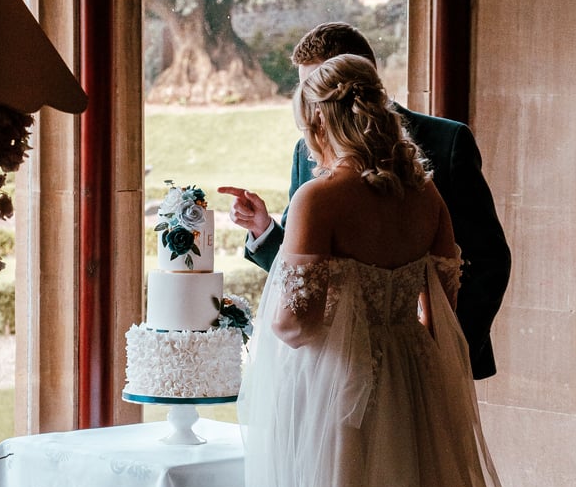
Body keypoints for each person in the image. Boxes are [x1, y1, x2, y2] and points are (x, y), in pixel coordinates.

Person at [237, 53, 533, 487]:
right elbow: (442, 305)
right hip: (415, 380)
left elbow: (294, 324)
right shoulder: (426, 195)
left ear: (320, 120)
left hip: (341, 383)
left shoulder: (318, 199)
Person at [219, 22, 510, 380]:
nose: (310, 112)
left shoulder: (446, 142)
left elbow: (488, 260)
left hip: (416, 365)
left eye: (317, 93)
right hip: (336, 366)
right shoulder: (305, 153)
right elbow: (307, 271)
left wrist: (446, 354)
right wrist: (264, 229)